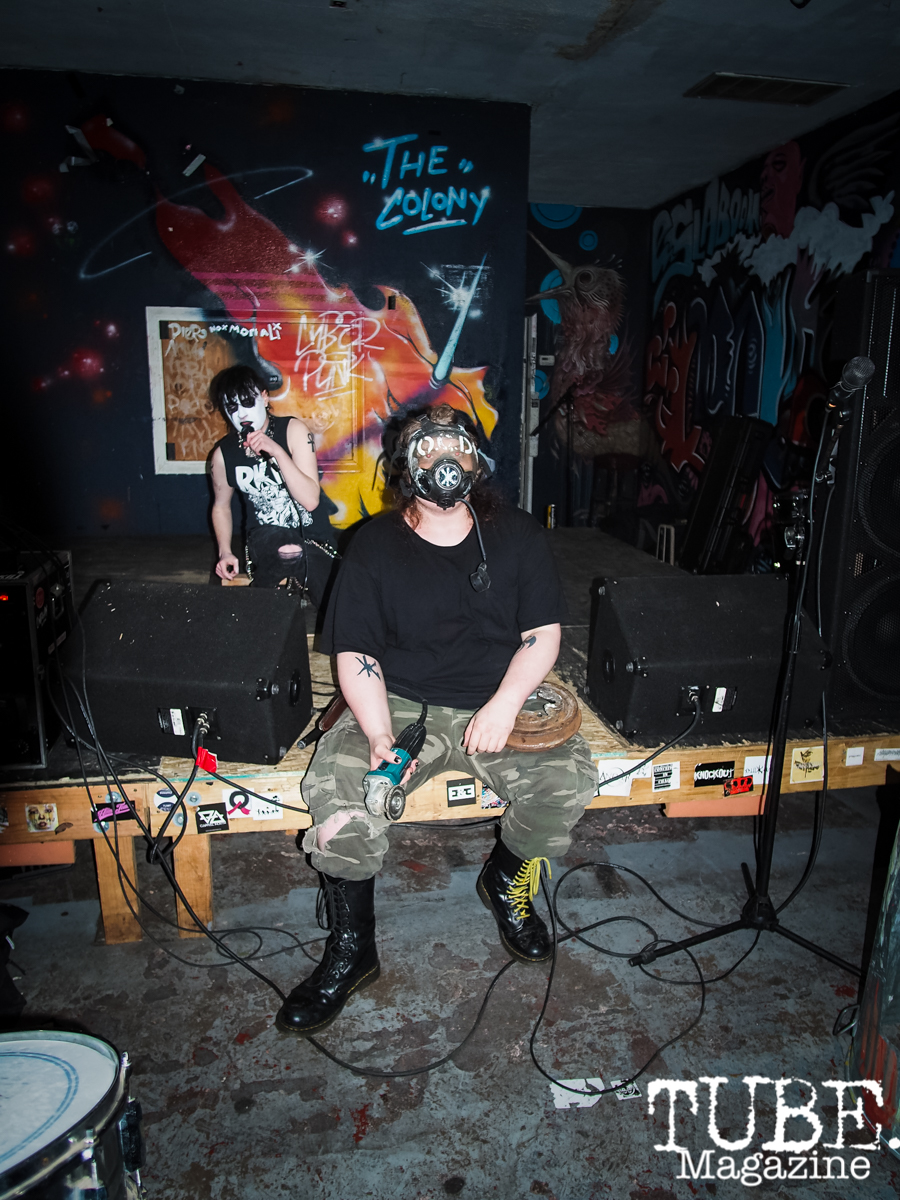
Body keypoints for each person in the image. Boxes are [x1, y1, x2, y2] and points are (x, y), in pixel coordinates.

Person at [276, 404, 597, 1036]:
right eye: (426, 449)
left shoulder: (519, 535)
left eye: (456, 446)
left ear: (478, 460)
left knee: (566, 782)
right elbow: (357, 654)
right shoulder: (373, 544)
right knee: (342, 804)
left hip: (497, 698)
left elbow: (543, 634)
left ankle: (506, 880)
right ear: (404, 466)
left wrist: (505, 704)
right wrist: (377, 735)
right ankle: (353, 948)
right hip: (399, 702)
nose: (443, 460)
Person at [209, 365, 336, 603]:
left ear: (265, 397)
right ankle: (264, 606)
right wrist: (225, 552)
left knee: (328, 590)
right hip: (265, 538)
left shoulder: (294, 431)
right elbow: (221, 506)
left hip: (313, 538)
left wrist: (276, 451)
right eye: (232, 407)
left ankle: (267, 602)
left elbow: (310, 501)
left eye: (248, 402)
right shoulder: (223, 455)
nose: (241, 414)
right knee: (288, 550)